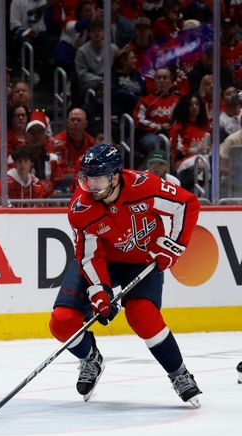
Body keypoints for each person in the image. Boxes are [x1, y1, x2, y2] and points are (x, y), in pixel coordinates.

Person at [48, 144, 202, 406]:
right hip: (102, 262)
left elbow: (186, 204)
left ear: (115, 176)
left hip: (140, 260)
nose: (91, 186)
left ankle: (179, 373)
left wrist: (173, 246)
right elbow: (89, 255)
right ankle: (90, 359)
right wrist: (99, 290)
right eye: (86, 178)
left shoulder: (145, 186)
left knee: (143, 315)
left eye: (97, 178)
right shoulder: (81, 208)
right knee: (62, 322)